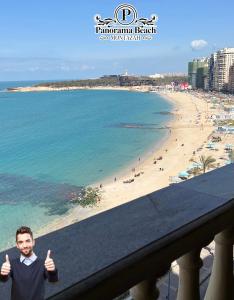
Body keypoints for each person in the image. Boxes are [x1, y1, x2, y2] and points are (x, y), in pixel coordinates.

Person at [0, 226, 58, 300]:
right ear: (17, 245)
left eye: (27, 241)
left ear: (33, 242)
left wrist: (53, 270)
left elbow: (53, 280)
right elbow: (3, 279)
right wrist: (3, 273)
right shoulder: (11, 264)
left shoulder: (44, 264)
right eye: (21, 242)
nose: (25, 245)